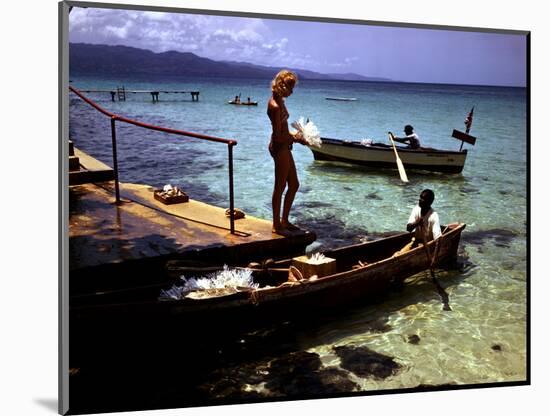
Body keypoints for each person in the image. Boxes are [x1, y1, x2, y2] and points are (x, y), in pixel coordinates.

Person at [267, 69, 308, 235]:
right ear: (283, 87)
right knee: (280, 186)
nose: (292, 91)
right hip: (279, 148)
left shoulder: (280, 102)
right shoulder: (275, 106)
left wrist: (296, 136)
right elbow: (277, 137)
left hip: (284, 146)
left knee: (294, 184)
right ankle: (276, 225)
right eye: (291, 88)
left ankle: (284, 220)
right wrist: (296, 139)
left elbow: (284, 130)